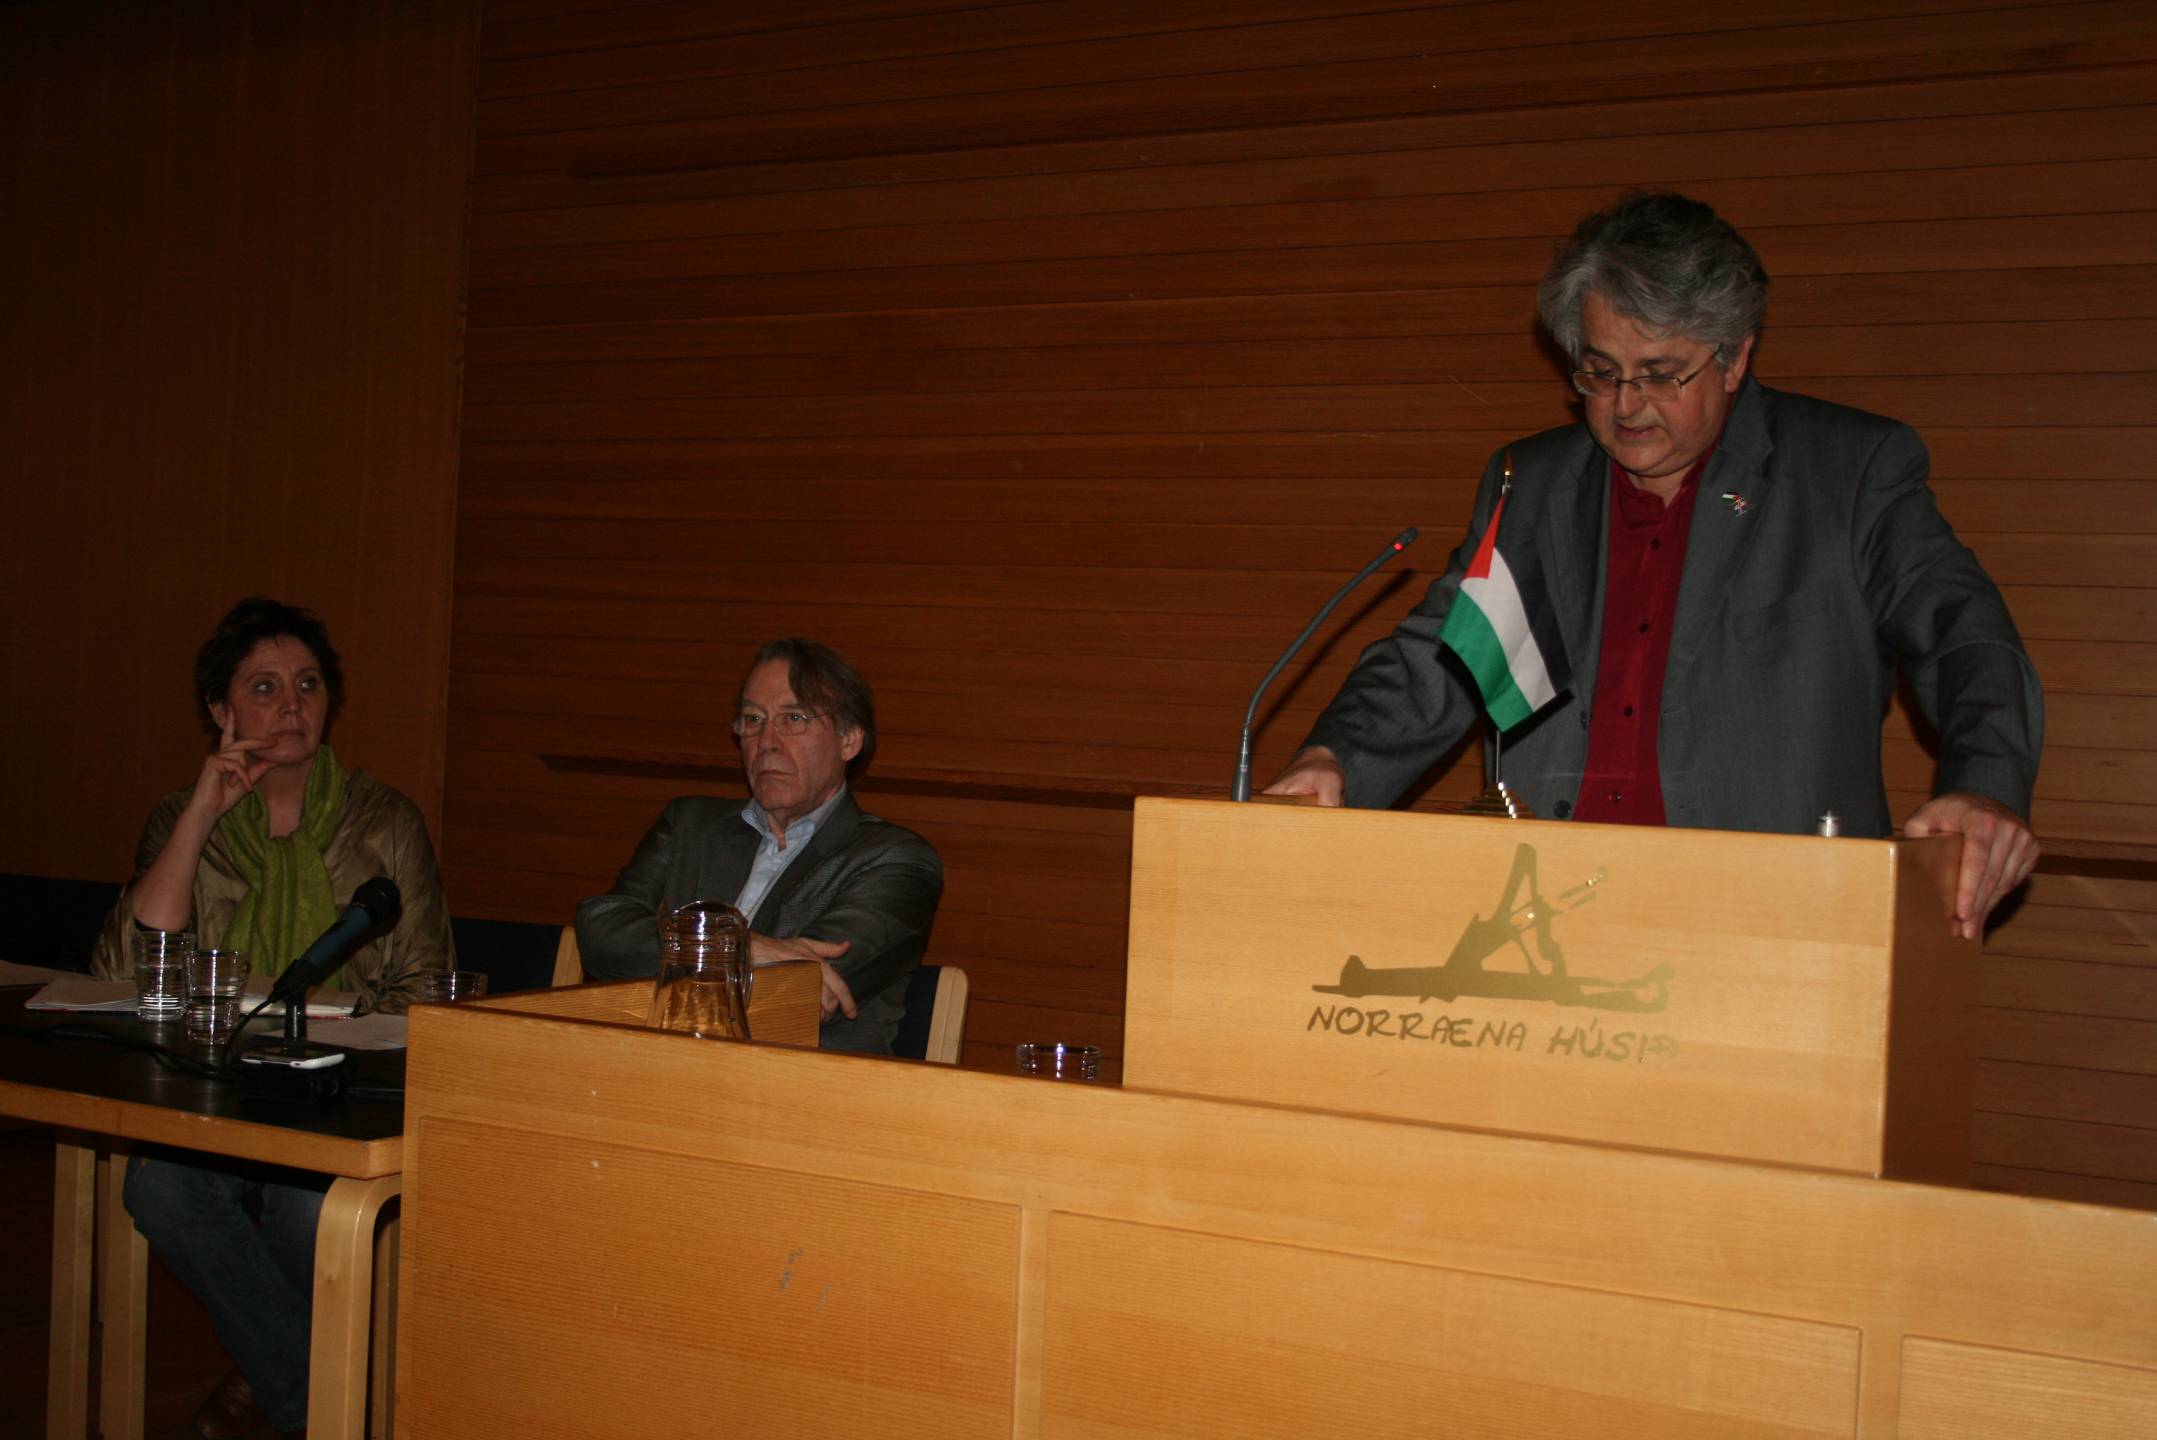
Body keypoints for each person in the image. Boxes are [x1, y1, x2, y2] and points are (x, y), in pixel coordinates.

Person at [1266, 191, 2041, 941]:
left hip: (1774, 923)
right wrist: (1335, 760)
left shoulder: (1846, 473)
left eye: (1661, 373)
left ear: (1734, 357)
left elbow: (1965, 639)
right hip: (1550, 918)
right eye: (1600, 371)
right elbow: (1444, 655)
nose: (1626, 405)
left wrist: (1983, 788)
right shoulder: (1531, 485)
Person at [91, 596, 455, 1439]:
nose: (292, 705)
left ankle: (276, 1384)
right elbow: (123, 972)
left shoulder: (385, 821)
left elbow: (426, 988)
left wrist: (329, 1037)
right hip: (213, 1090)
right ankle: (316, 1400)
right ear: (220, 711)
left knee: (304, 1208)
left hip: (336, 1096)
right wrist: (201, 814)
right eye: (264, 687)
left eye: (308, 685)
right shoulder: (181, 819)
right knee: (161, 1188)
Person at [577, 637, 943, 1053]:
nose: (767, 740)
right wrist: (745, 948)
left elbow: (802, 989)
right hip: (656, 1062)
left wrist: (710, 950)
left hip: (800, 1080)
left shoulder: (896, 859)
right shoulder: (689, 825)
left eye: (794, 718)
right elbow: (601, 932)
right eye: (753, 719)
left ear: (849, 741)